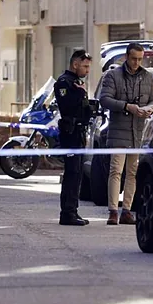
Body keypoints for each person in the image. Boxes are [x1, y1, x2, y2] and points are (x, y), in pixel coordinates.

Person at [100, 42, 153, 225]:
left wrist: (149, 109)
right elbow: (105, 99)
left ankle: (127, 210)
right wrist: (127, 106)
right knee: (116, 170)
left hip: (138, 131)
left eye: (140, 59)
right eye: (134, 59)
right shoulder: (113, 75)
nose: (136, 62)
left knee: (132, 172)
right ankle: (113, 211)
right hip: (119, 130)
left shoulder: (148, 76)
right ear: (126, 57)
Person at [54, 49, 94, 226]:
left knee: (77, 173)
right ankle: (67, 213)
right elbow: (66, 105)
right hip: (69, 133)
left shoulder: (77, 83)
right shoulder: (64, 82)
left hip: (79, 132)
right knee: (72, 173)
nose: (87, 70)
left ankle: (73, 211)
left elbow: (82, 108)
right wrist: (79, 93)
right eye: (85, 66)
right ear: (75, 64)